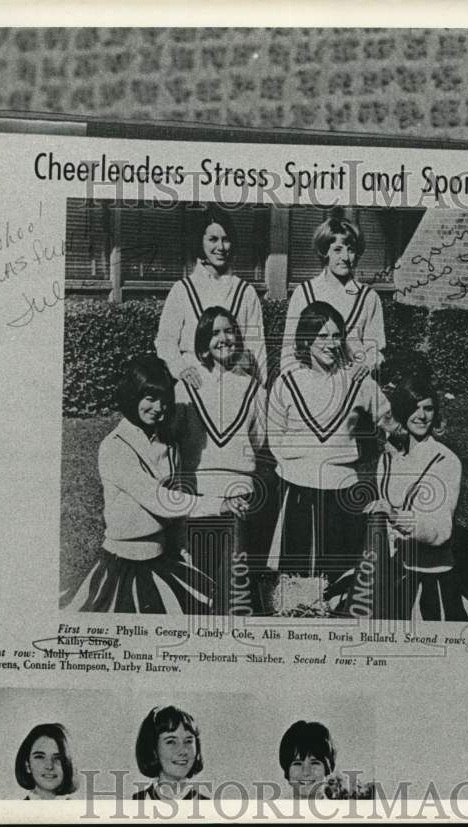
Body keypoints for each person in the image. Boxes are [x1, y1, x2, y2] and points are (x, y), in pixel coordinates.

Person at [62, 355, 248, 614]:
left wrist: (183, 550)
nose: (158, 408)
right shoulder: (115, 446)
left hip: (161, 558)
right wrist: (220, 504)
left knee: (205, 609)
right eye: (149, 398)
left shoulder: (168, 444)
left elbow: (177, 505)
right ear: (132, 396)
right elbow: (158, 499)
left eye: (164, 400)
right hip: (123, 564)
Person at [329, 374, 468, 621]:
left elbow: (441, 531)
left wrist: (395, 517)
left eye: (428, 408)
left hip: (429, 576)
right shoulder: (387, 458)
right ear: (401, 410)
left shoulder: (445, 461)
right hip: (389, 569)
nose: (421, 416)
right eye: (413, 408)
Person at [266, 302, 392, 602]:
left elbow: (390, 420)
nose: (332, 344)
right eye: (322, 336)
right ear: (306, 340)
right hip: (296, 489)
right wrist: (297, 467)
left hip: (341, 490)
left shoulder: (357, 380)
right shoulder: (287, 381)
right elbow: (274, 435)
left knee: (337, 580)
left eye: (337, 336)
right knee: (294, 583)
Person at [175, 306, 267, 614]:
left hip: (239, 494)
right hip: (198, 494)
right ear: (203, 343)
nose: (223, 338)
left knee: (234, 585)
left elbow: (258, 439)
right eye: (214, 333)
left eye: (229, 331)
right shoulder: (187, 384)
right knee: (197, 581)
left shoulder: (253, 387)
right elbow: (176, 438)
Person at [156, 205, 267, 386]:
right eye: (213, 239)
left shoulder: (245, 291)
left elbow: (257, 345)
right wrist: (180, 369)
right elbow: (166, 341)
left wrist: (260, 387)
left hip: (236, 381)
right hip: (195, 383)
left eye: (226, 240)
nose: (221, 247)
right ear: (200, 242)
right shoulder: (183, 289)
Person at [279, 208, 386, 376]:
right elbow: (289, 351)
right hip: (313, 384)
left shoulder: (368, 298)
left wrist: (367, 364)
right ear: (324, 252)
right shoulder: (304, 293)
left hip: (354, 383)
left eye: (350, 250)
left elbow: (375, 349)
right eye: (337, 250)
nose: (344, 257)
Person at [132, 705, 209, 800]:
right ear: (153, 749)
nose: (183, 751)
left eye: (188, 741)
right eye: (171, 742)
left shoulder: (206, 805)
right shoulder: (135, 803)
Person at [14, 723, 77, 800]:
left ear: (68, 765)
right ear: (27, 765)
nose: (49, 766)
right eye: (40, 757)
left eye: (58, 758)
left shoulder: (80, 810)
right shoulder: (14, 810)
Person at [278, 720, 336, 800]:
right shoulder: (270, 811)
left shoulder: (343, 811)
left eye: (315, 763)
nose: (306, 772)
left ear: (327, 769)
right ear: (287, 770)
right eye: (297, 763)